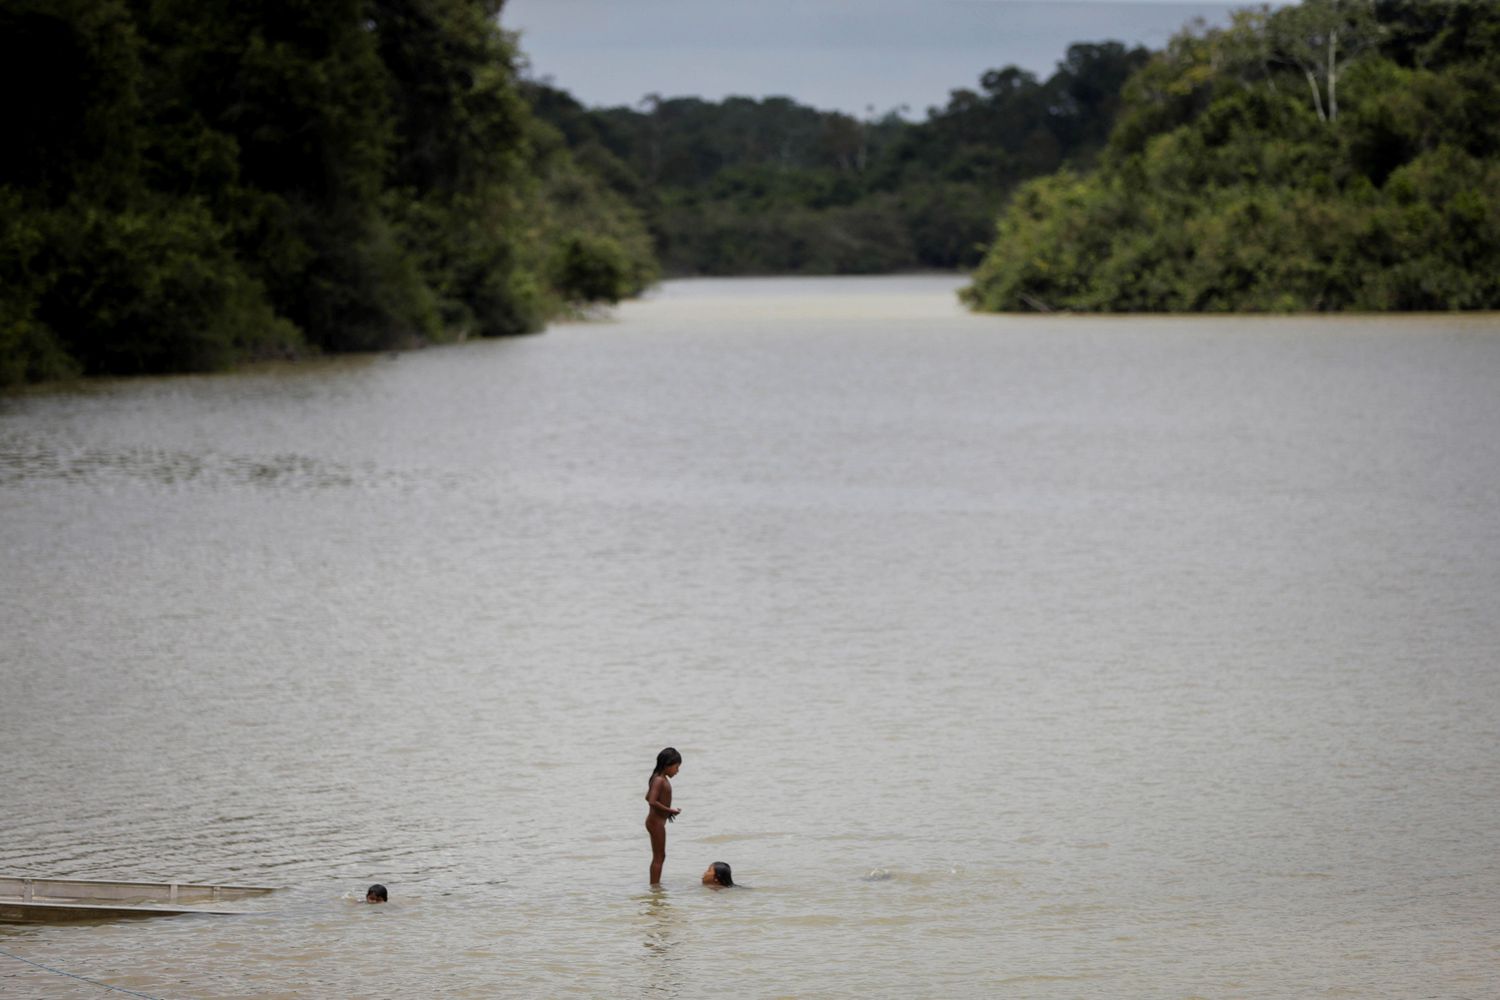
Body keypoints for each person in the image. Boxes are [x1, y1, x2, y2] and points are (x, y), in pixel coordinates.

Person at [645, 747, 682, 885]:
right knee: (659, 857)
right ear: (667, 765)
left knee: (659, 856)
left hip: (656, 822)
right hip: (656, 823)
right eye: (676, 767)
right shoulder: (659, 780)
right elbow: (652, 801)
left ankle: (655, 885)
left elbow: (647, 796)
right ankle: (654, 886)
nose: (677, 771)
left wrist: (667, 812)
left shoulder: (658, 778)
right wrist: (670, 810)